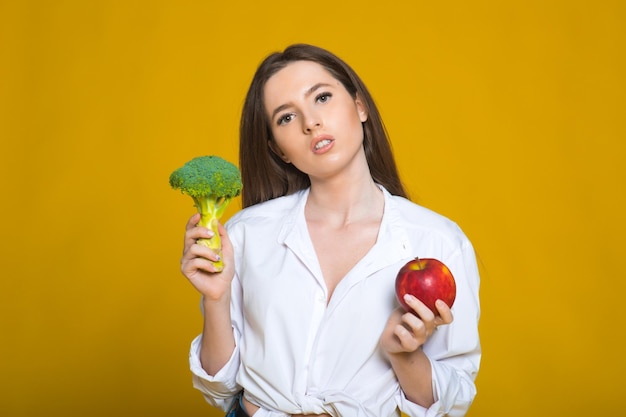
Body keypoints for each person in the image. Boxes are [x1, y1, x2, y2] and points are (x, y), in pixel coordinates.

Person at [180, 44, 481, 417]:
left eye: (322, 97)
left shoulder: (438, 242)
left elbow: (452, 402)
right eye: (287, 118)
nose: (311, 123)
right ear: (279, 150)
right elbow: (219, 386)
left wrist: (404, 355)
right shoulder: (245, 234)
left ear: (359, 106)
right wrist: (216, 299)